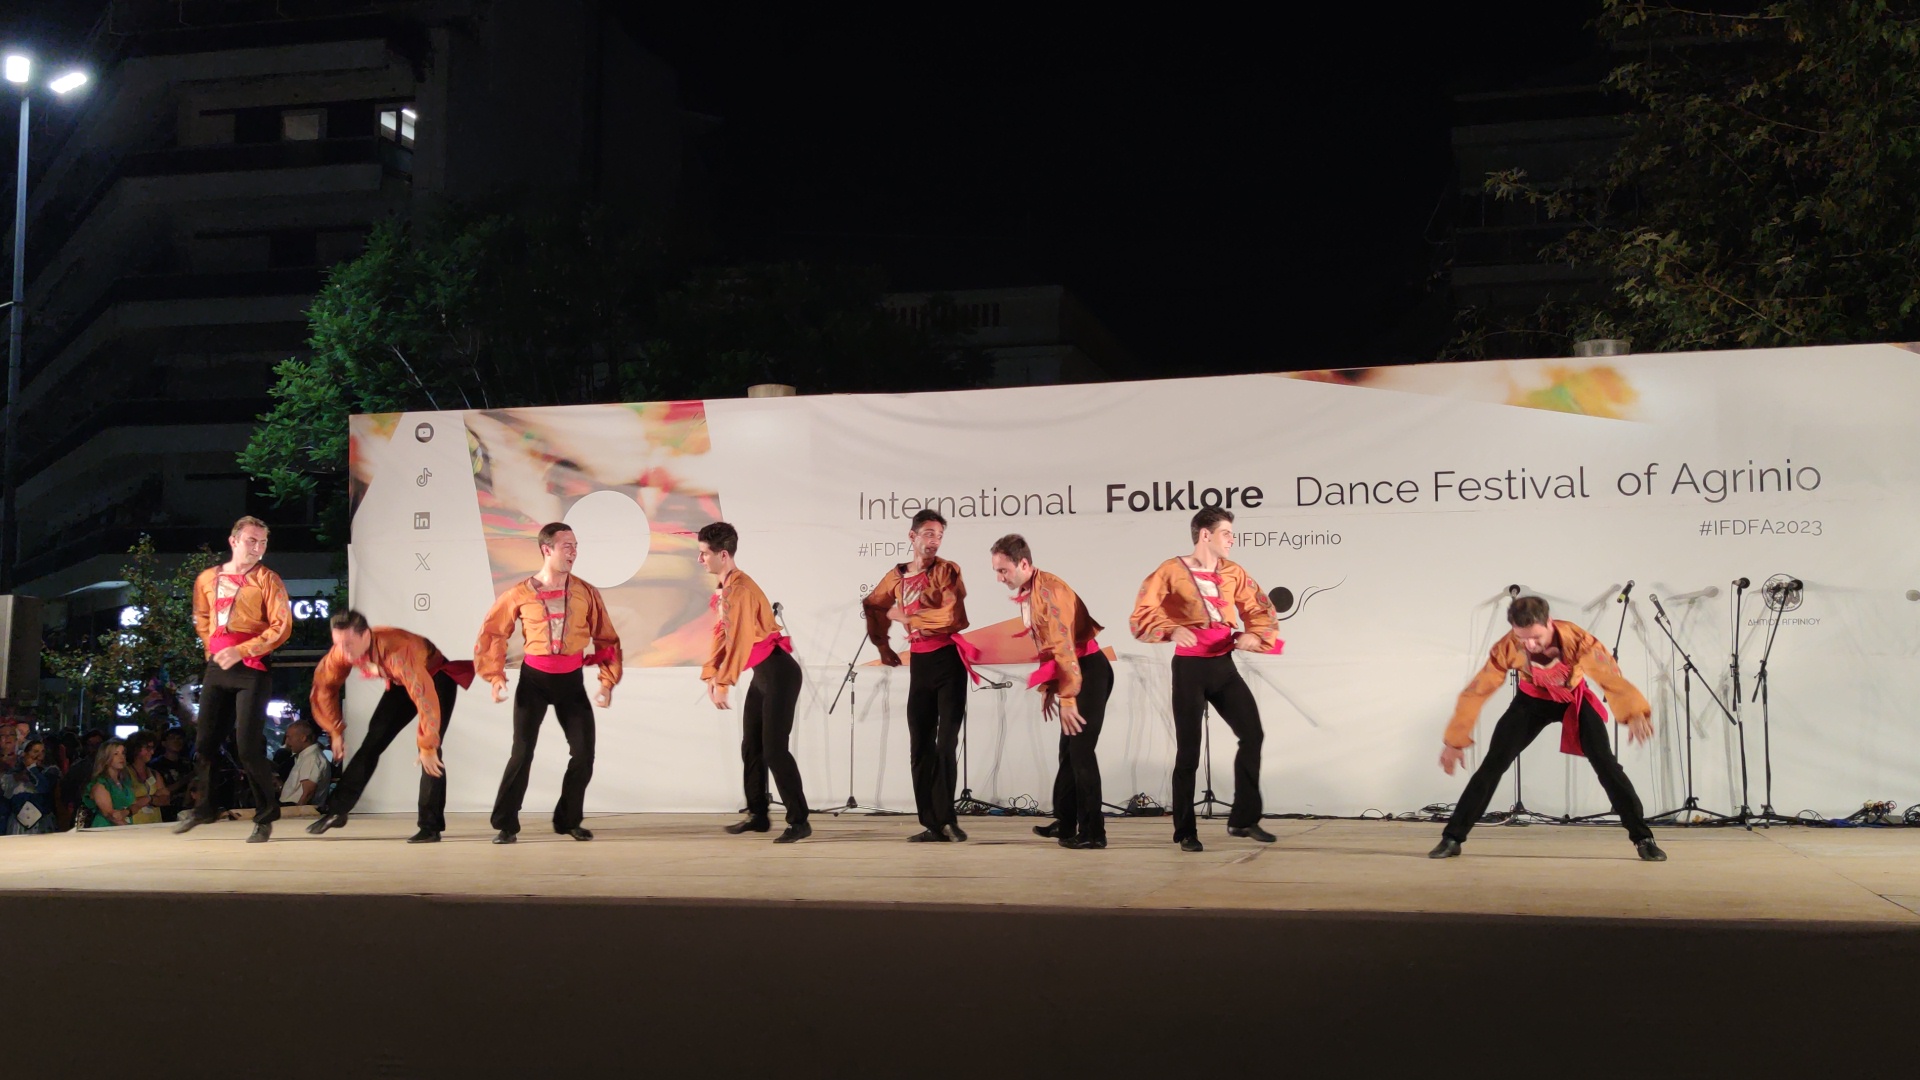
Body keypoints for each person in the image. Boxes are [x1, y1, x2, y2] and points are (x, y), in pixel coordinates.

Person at [1431, 595, 1666, 861]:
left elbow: (1608, 675)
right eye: (1523, 638)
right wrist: (1454, 741)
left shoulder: (1577, 639)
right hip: (1531, 702)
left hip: (1572, 700)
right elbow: (1477, 691)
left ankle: (1643, 838)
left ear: (1549, 623)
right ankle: (1452, 838)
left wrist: (1634, 712)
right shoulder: (1508, 646)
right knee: (1493, 765)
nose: (1530, 644)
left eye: (1536, 637)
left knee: (1607, 765)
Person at [1130, 507, 1282, 853]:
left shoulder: (1233, 572)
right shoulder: (1171, 570)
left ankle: (1243, 819)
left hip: (1223, 667)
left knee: (1253, 735)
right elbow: (1141, 614)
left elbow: (1260, 609)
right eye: (1226, 533)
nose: (1232, 539)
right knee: (1189, 753)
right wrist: (1172, 629)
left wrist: (1253, 634)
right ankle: (1185, 830)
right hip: (1190, 670)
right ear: (1205, 535)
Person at [475, 522, 622, 844]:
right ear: (547, 549)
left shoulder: (586, 592)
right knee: (522, 753)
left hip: (571, 682)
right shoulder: (519, 593)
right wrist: (495, 676)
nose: (574, 552)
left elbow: (606, 638)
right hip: (534, 681)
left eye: (576, 546)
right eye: (567, 546)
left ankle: (568, 820)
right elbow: (494, 634)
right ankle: (506, 824)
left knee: (583, 754)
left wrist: (607, 681)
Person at [989, 534, 1114, 850]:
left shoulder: (1050, 591)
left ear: (1024, 564)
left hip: (1089, 672)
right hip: (1072, 671)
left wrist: (1068, 697)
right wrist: (1050, 686)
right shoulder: (1030, 591)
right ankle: (1067, 822)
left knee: (1081, 752)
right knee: (1067, 752)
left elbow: (1064, 646)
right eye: (997, 571)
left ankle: (1093, 833)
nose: (999, 578)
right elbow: (1046, 646)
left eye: (1003, 570)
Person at [861, 509, 977, 843]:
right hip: (921, 666)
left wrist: (908, 616)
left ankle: (947, 819)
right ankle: (931, 823)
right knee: (920, 746)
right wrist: (883, 646)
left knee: (946, 743)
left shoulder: (947, 570)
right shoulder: (896, 576)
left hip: (948, 662)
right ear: (912, 536)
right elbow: (874, 604)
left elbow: (952, 615)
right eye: (928, 534)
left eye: (939, 535)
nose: (934, 541)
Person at [174, 516, 292, 842]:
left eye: (263, 542)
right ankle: (206, 807)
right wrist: (210, 649)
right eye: (252, 540)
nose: (258, 548)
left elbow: (281, 626)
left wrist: (242, 650)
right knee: (205, 743)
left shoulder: (268, 579)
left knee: (248, 747)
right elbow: (201, 616)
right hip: (218, 666)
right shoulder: (207, 579)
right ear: (234, 541)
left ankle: (265, 814)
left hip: (252, 667)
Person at [307, 610, 471, 844]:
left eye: (349, 644)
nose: (344, 651)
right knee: (373, 741)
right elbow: (324, 687)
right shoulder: (342, 651)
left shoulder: (399, 650)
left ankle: (430, 826)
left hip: (435, 678)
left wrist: (428, 745)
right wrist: (334, 730)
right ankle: (337, 810)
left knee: (429, 754)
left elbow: (424, 697)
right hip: (400, 683)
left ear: (366, 635)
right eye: (338, 643)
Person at [697, 522, 811, 843]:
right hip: (763, 676)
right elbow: (722, 634)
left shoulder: (742, 590)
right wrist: (712, 673)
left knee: (774, 750)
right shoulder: (727, 588)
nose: (700, 559)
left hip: (779, 674)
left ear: (723, 555)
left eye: (704, 553)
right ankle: (758, 815)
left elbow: (741, 640)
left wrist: (725, 680)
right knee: (751, 746)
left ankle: (799, 821)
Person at [87, 740, 155, 828]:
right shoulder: (101, 784)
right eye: (116, 754)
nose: (121, 757)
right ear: (106, 758)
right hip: (106, 830)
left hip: (123, 828)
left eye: (123, 753)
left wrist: (146, 799)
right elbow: (111, 816)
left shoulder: (124, 782)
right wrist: (133, 830)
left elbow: (132, 805)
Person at [2, 738, 59, 835]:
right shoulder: (13, 774)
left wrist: (32, 768)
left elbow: (44, 788)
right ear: (25, 754)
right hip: (18, 824)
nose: (39, 756)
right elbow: (7, 795)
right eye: (35, 752)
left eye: (42, 752)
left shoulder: (50, 771)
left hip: (41, 823)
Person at [277, 720, 328, 808]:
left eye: (289, 737)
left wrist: (297, 813)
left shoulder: (311, 758)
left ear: (303, 738)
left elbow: (308, 793)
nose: (287, 742)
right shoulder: (306, 757)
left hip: (295, 810)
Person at [123, 731, 170, 825]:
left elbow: (166, 799)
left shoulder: (154, 773)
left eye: (152, 748)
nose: (152, 752)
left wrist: (148, 799)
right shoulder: (124, 773)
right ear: (136, 748)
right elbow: (125, 800)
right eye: (148, 748)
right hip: (133, 824)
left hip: (154, 822)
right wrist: (155, 797)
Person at [149, 728, 193, 823]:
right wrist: (186, 779)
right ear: (164, 743)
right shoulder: (156, 765)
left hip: (187, 810)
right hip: (167, 812)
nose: (177, 741)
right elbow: (161, 791)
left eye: (179, 738)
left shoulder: (187, 764)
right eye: (172, 738)